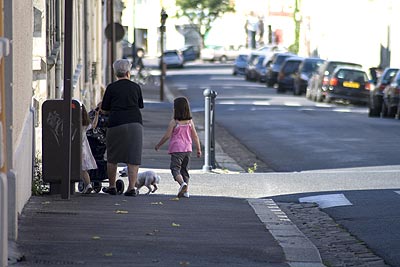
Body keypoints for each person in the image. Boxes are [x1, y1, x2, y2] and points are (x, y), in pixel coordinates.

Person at [101, 59, 144, 196]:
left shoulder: (111, 88)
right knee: (133, 156)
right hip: (134, 123)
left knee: (112, 156)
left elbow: (105, 108)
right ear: (128, 72)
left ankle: (112, 186)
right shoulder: (136, 87)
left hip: (116, 123)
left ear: (115, 73)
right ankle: (131, 188)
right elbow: (140, 105)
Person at [155, 97, 202, 198]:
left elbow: (167, 136)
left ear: (176, 109)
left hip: (177, 149)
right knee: (185, 170)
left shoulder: (174, 122)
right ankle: (186, 191)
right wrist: (198, 149)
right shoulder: (190, 122)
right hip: (188, 149)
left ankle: (182, 184)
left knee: (175, 169)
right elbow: (195, 136)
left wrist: (159, 145)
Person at [81, 104, 99, 194]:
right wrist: (96, 116)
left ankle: (88, 185)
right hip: (84, 148)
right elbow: (94, 125)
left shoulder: (74, 124)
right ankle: (87, 185)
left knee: (82, 169)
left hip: (78, 148)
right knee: (84, 169)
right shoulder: (85, 124)